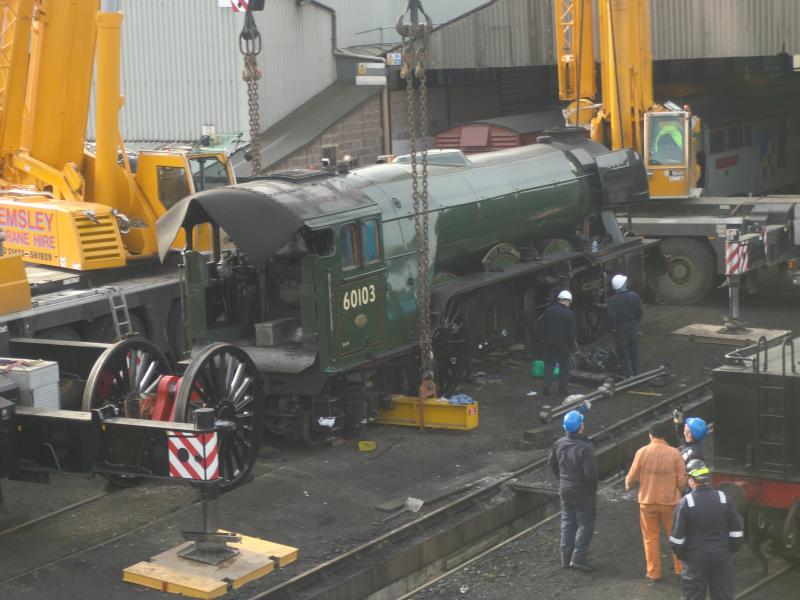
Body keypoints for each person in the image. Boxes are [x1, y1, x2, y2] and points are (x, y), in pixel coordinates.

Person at [670, 460, 744, 600]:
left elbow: (677, 540)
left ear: (691, 480)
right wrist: (726, 550)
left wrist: (684, 556)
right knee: (723, 595)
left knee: (694, 596)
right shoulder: (724, 498)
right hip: (721, 556)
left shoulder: (686, 502)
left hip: (695, 560)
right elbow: (737, 534)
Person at [625, 421, 687, 583]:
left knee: (650, 538)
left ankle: (654, 573)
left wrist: (628, 485)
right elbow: (682, 481)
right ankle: (680, 569)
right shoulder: (674, 453)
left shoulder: (642, 452)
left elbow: (632, 476)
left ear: (650, 436)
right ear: (665, 436)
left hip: (648, 502)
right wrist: (677, 491)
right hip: (670, 502)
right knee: (675, 536)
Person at [549, 410, 597, 572]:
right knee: (585, 523)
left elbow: (552, 464)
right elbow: (590, 474)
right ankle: (578, 558)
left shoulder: (559, 443)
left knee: (567, 522)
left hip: (564, 487)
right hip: (581, 490)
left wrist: (561, 479)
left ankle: (565, 557)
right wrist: (592, 491)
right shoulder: (585, 448)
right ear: (580, 427)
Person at [541, 290, 576, 397]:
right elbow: (571, 333)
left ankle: (546, 383)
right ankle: (562, 390)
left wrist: (545, 339)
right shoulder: (569, 314)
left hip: (549, 341)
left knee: (549, 364)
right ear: (568, 300)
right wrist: (572, 346)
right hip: (563, 343)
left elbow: (543, 326)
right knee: (564, 367)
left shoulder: (548, 310)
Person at [607, 274, 643, 378]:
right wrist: (636, 323)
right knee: (634, 351)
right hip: (632, 327)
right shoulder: (634, 296)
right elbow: (639, 311)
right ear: (623, 285)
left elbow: (612, 317)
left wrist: (613, 329)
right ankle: (636, 373)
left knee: (623, 353)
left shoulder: (612, 300)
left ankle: (628, 375)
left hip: (620, 330)